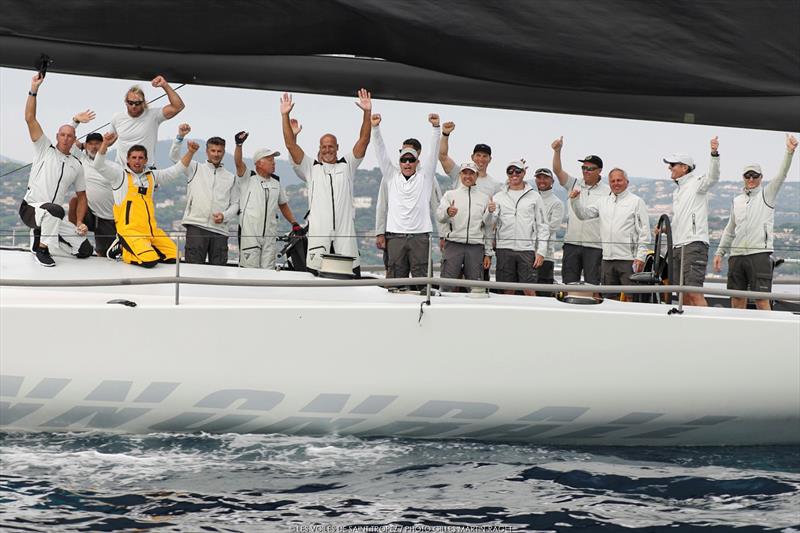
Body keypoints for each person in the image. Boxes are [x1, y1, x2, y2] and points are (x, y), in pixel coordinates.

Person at [280, 89, 372, 275]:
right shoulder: (311, 167)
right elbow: (290, 145)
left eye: (331, 146)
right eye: (324, 146)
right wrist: (285, 115)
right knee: (315, 284)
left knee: (348, 284)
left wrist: (367, 113)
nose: (328, 150)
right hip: (318, 239)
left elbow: (364, 139)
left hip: (344, 238)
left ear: (337, 147)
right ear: (319, 149)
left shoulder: (347, 165)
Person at [714, 134, 798, 310]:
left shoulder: (767, 194)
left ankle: (766, 335)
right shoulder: (736, 200)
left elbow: (781, 175)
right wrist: (719, 253)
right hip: (736, 256)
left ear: (761, 177)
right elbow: (730, 229)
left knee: (761, 300)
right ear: (743, 177)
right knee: (736, 300)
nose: (751, 179)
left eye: (755, 176)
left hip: (759, 253)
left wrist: (789, 152)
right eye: (747, 176)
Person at [19, 73, 93, 266]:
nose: (66, 138)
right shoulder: (45, 149)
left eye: (70, 136)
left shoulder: (76, 164)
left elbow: (82, 196)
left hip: (54, 217)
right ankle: (41, 249)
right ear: (57, 136)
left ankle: (47, 240)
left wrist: (78, 223)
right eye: (63, 135)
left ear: (75, 139)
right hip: (32, 209)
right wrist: (33, 89)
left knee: (85, 251)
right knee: (55, 209)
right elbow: (29, 118)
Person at [93, 133, 194, 267]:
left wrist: (191, 152)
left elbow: (175, 170)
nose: (137, 161)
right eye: (134, 157)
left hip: (151, 231)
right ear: (127, 160)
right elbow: (98, 165)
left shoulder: (152, 176)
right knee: (149, 260)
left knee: (174, 257)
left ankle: (138, 247)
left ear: (146, 160)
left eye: (141, 158)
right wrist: (105, 143)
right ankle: (123, 247)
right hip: (130, 231)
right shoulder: (119, 176)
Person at [371, 112, 441, 283]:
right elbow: (381, 152)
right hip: (395, 237)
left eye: (411, 160)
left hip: (420, 237)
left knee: (422, 281)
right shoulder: (390, 176)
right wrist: (375, 128)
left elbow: (434, 153)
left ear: (417, 162)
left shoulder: (426, 177)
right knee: (395, 281)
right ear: (399, 161)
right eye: (404, 160)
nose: (407, 163)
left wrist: (436, 128)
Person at [569, 167, 650, 297]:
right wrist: (575, 201)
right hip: (607, 259)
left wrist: (640, 257)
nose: (616, 183)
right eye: (612, 181)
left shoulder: (636, 202)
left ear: (627, 182)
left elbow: (644, 231)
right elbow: (584, 215)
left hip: (628, 260)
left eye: (619, 180)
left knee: (632, 298)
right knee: (609, 299)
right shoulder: (603, 201)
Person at [169, 124, 239, 265]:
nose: (216, 154)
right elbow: (174, 158)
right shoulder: (194, 168)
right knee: (193, 269)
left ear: (224, 152)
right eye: (212, 150)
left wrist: (224, 216)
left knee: (218, 272)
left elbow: (236, 204)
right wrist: (180, 137)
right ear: (207, 152)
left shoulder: (231, 177)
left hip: (220, 230)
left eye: (219, 151)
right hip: (196, 226)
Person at [663, 136, 720, 306]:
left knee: (694, 292)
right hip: (678, 246)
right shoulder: (677, 191)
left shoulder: (697, 183)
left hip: (694, 244)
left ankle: (707, 328)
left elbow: (713, 177)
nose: (669, 168)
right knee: (683, 294)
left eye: (672, 165)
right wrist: (666, 230)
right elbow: (679, 220)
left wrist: (714, 154)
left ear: (684, 167)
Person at [438, 122, 502, 275]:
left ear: (490, 159)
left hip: (477, 243)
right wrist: (445, 135)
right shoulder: (459, 174)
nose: (481, 159)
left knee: (476, 284)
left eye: (484, 156)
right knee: (449, 282)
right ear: (472, 157)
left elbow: (492, 220)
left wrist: (488, 249)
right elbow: (442, 156)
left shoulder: (494, 185)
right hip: (454, 241)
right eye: (478, 155)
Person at [233, 132, 302, 269]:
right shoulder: (248, 177)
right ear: (259, 163)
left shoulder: (276, 182)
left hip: (270, 235)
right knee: (249, 272)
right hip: (250, 234)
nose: (274, 163)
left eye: (273, 160)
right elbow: (238, 163)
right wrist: (239, 145)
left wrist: (294, 223)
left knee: (268, 272)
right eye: (270, 160)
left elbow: (283, 205)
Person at [551, 137, 610, 285]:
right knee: (569, 284)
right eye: (584, 168)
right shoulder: (574, 183)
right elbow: (557, 171)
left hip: (595, 246)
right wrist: (557, 151)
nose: (586, 171)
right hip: (572, 244)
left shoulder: (608, 191)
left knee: (593, 284)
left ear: (599, 171)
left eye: (590, 168)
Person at [493, 161, 549, 296]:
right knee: (507, 290)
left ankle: (533, 316)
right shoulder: (498, 196)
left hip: (526, 249)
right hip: (504, 248)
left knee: (529, 289)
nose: (514, 174)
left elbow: (542, 225)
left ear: (524, 173)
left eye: (518, 171)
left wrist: (541, 251)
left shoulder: (535, 196)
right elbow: (491, 224)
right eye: (510, 171)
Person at [436, 163, 496, 287]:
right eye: (465, 173)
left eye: (471, 173)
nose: (468, 176)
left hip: (475, 247)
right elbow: (440, 217)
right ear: (460, 175)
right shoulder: (450, 195)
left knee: (475, 288)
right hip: (453, 244)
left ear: (477, 176)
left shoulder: (484, 198)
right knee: (447, 285)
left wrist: (488, 253)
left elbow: (488, 226)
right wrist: (448, 212)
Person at [66, 119, 118, 257]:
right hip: (88, 212)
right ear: (86, 145)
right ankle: (76, 229)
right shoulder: (81, 159)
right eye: (91, 144)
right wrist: (75, 121)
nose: (94, 147)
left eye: (97, 144)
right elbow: (67, 142)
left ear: (103, 145)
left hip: (107, 216)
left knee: (105, 253)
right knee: (74, 200)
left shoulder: (112, 166)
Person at [110, 75, 185, 166]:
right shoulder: (117, 118)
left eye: (137, 103)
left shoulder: (153, 115)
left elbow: (178, 106)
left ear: (143, 103)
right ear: (126, 102)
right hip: (122, 171)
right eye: (131, 103)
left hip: (146, 170)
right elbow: (109, 141)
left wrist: (165, 85)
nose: (134, 106)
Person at [532, 168, 564, 292]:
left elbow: (552, 227)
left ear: (552, 181)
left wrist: (531, 229)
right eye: (539, 177)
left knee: (543, 291)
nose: (542, 181)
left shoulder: (557, 203)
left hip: (546, 255)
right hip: (527, 252)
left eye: (545, 178)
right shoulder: (531, 198)